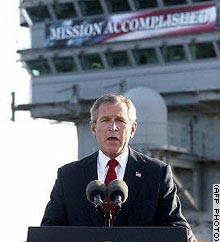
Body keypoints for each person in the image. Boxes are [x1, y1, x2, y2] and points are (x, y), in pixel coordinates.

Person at [41, 93, 197, 242]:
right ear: (93, 128)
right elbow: (49, 231)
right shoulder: (69, 176)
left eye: (120, 120)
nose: (113, 127)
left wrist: (185, 235)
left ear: (132, 129)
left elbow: (175, 226)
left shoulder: (157, 173)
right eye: (106, 120)